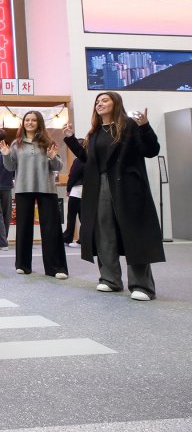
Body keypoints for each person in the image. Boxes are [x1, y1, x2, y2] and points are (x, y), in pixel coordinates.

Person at [62, 92, 165, 300]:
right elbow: (87, 159)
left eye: (105, 100)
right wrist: (70, 139)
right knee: (104, 233)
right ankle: (110, 279)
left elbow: (151, 150)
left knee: (134, 233)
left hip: (128, 188)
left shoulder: (130, 125)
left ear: (116, 103)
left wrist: (145, 126)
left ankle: (142, 286)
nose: (100, 104)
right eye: (97, 102)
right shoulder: (96, 131)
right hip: (100, 187)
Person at [1, 111, 68, 279]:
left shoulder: (48, 142)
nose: (30, 123)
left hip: (47, 188)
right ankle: (22, 265)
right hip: (23, 189)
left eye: (33, 120)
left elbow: (58, 166)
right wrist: (6, 155)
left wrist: (53, 157)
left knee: (51, 229)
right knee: (23, 228)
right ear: (23, 123)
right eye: (27, 120)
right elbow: (10, 167)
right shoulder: (16, 144)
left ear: (39, 123)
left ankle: (56, 267)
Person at [63, 143, 84, 248]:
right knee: (83, 217)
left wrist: (68, 189)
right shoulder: (90, 159)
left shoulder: (78, 160)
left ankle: (67, 237)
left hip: (76, 191)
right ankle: (83, 239)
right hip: (87, 191)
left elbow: (73, 176)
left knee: (71, 216)